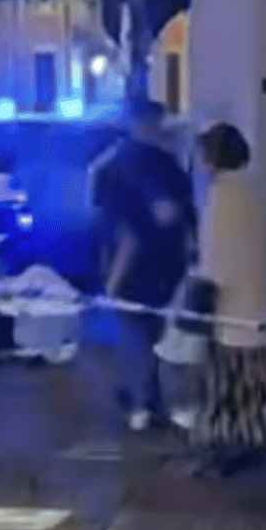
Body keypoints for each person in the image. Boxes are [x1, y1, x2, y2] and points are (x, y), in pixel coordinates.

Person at [91, 99, 195, 431]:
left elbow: (124, 232)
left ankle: (142, 403)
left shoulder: (113, 166)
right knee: (153, 336)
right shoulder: (168, 164)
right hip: (167, 265)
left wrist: (113, 279)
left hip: (136, 269)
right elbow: (178, 215)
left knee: (136, 336)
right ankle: (150, 402)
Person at [193, 121, 266, 475]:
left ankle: (228, 448)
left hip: (229, 309)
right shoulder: (254, 190)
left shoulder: (221, 195)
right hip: (257, 304)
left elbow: (215, 259)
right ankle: (255, 440)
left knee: (227, 383)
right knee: (253, 384)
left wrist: (202, 298)